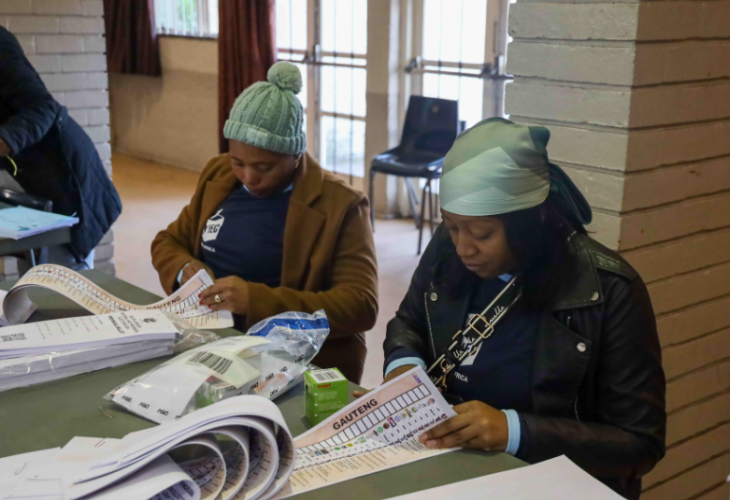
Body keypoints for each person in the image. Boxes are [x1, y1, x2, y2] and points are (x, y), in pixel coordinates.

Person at [375, 118, 665, 499]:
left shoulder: (609, 290)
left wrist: (515, 431)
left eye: (482, 234)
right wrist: (404, 369)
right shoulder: (450, 247)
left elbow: (640, 442)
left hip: (546, 482)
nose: (464, 248)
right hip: (449, 468)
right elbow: (410, 321)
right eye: (451, 226)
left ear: (532, 221)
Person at [152, 62, 378, 383]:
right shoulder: (219, 175)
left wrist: (256, 301)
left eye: (265, 166)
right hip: (214, 342)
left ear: (295, 155)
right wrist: (184, 268)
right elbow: (167, 241)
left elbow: (360, 305)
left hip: (291, 362)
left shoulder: (340, 205)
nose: (248, 177)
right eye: (238, 162)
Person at [0, 27, 122, 270]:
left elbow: (43, 107)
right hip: (25, 183)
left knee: (62, 294)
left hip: (60, 175)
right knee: (32, 293)